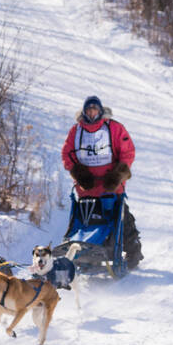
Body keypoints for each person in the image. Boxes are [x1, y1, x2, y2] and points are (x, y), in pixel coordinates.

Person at [61, 95, 143, 269]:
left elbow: (127, 153)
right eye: (88, 110)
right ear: (84, 112)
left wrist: (117, 175)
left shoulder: (114, 128)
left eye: (94, 110)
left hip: (111, 186)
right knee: (83, 221)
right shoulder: (76, 131)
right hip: (87, 187)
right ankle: (81, 249)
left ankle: (132, 251)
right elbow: (67, 153)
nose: (92, 113)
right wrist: (78, 173)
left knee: (121, 218)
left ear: (100, 111)